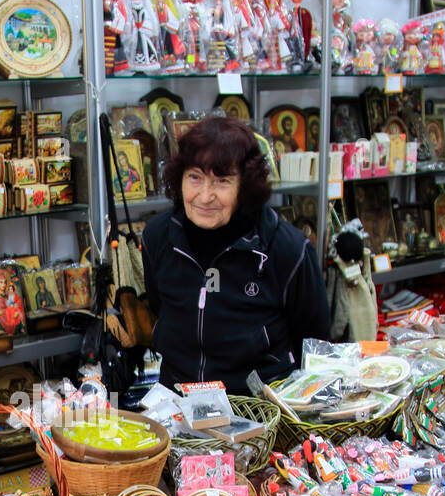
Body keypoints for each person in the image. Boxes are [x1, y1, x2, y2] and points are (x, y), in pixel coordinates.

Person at [141, 115, 328, 394]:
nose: (205, 196)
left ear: (246, 185)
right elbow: (160, 307)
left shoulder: (289, 250)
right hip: (177, 404)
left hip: (258, 412)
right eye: (195, 177)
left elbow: (316, 349)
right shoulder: (158, 237)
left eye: (222, 181)